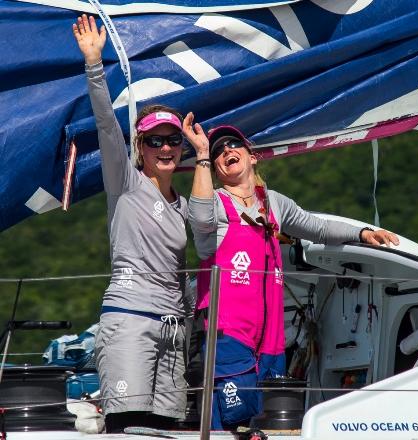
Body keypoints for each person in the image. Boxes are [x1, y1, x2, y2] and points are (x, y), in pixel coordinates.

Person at [182, 116, 399, 429]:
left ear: (251, 155)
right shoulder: (216, 202)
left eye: (233, 144)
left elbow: (318, 227)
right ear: (216, 170)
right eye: (218, 152)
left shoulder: (274, 204)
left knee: (265, 423)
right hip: (229, 331)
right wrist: (201, 153)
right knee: (232, 418)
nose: (226, 150)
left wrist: (362, 232)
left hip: (271, 338)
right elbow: (200, 219)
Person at [72, 15, 192, 433]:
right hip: (130, 319)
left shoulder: (184, 204)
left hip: (174, 329)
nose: (164, 147)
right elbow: (107, 124)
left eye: (172, 140)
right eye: (154, 140)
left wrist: (206, 154)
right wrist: (93, 63)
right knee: (130, 425)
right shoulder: (125, 181)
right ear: (139, 148)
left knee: (167, 427)